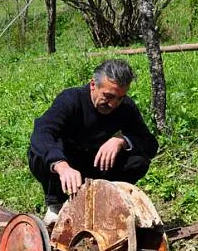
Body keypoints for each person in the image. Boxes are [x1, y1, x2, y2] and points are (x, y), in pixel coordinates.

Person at [28, 59, 158, 225]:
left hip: (96, 165)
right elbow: (42, 132)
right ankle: (56, 205)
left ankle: (104, 202)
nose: (113, 104)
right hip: (66, 165)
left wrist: (121, 140)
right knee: (41, 152)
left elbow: (150, 143)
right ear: (93, 85)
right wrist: (61, 165)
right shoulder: (71, 100)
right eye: (108, 96)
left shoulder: (125, 107)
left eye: (120, 98)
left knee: (138, 160)